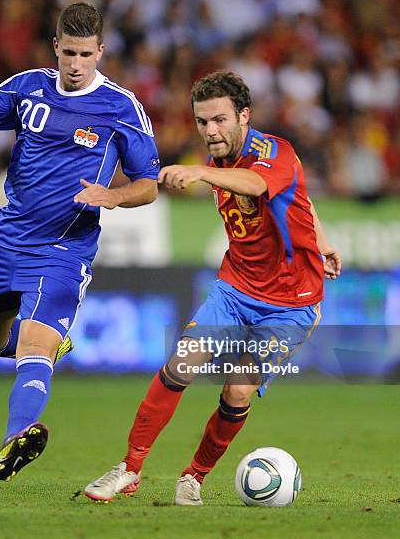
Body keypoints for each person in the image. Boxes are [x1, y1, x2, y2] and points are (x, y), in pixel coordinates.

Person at [0, 3, 160, 482]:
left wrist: (113, 195)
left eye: (85, 54)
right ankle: (51, 351)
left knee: (32, 342)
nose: (75, 64)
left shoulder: (121, 108)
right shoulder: (28, 87)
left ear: (101, 52)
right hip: (7, 239)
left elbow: (149, 183)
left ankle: (18, 435)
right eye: (68, 52)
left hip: (63, 249)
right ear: (56, 47)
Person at [85, 71, 340, 505]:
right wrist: (322, 238)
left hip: (291, 305)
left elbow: (260, 185)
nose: (210, 131)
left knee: (237, 389)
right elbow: (300, 199)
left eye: (220, 120)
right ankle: (129, 468)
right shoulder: (219, 161)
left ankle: (194, 476)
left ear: (244, 116)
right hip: (235, 289)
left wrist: (199, 172)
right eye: (202, 122)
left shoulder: (273, 151)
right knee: (181, 364)